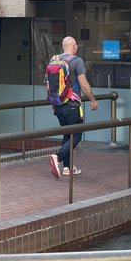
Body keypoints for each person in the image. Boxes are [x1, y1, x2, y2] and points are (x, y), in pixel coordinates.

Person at [47, 36, 99, 178]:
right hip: (72, 104)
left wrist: (53, 103)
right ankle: (58, 157)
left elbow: (51, 85)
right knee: (76, 135)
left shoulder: (54, 60)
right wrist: (92, 100)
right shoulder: (77, 61)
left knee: (67, 135)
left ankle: (67, 168)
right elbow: (83, 84)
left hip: (58, 105)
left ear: (63, 46)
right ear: (74, 46)